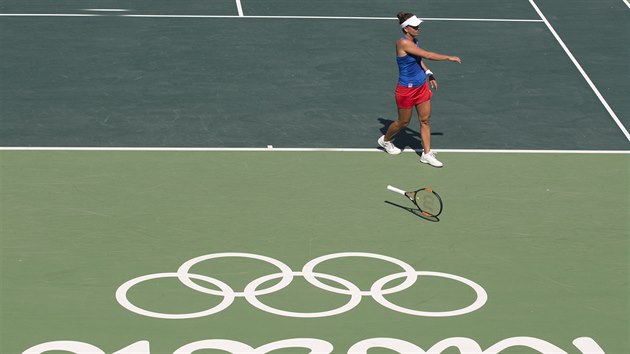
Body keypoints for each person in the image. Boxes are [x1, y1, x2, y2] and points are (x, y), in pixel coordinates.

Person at [377, 12, 461, 167]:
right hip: (406, 90)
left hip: (421, 86)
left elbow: (418, 60)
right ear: (406, 28)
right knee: (403, 123)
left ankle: (426, 154)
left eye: (418, 25)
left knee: (425, 120)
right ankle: (386, 140)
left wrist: (429, 73)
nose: (418, 28)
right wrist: (448, 57)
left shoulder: (413, 41)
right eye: (414, 26)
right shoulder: (403, 43)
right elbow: (427, 54)